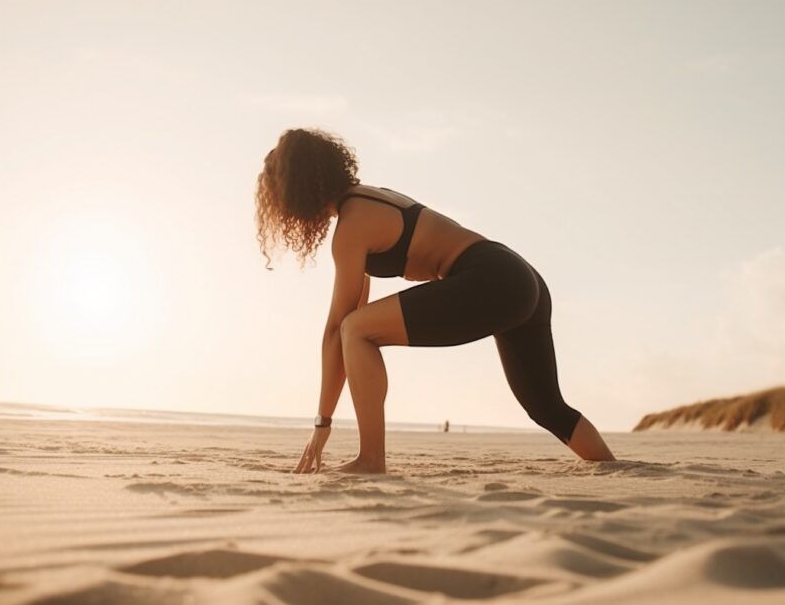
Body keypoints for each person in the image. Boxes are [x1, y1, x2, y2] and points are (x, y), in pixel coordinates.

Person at [254, 128, 616, 474]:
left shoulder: (352, 226)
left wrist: (322, 424)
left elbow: (339, 328)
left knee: (356, 330)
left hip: (492, 279)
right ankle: (614, 468)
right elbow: (348, 323)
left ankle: (370, 460)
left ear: (297, 189)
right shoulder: (371, 198)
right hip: (516, 275)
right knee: (547, 408)